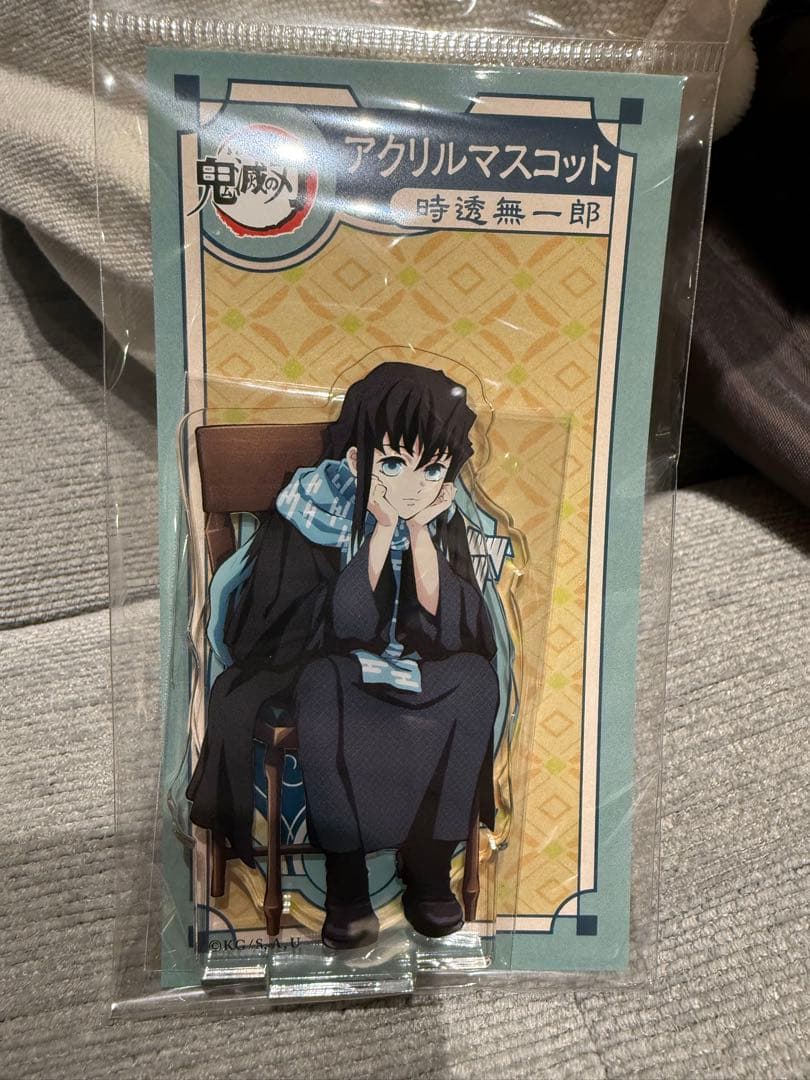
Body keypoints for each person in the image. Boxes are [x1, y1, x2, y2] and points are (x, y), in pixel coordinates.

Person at [186, 361, 502, 949]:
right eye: (394, 464)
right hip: (324, 672)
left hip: (412, 673)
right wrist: (381, 532)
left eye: (432, 469)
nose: (412, 486)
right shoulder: (309, 511)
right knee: (325, 681)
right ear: (358, 459)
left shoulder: (441, 522)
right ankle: (348, 882)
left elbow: (453, 631)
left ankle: (430, 865)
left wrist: (421, 533)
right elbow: (334, 628)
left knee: (477, 679)